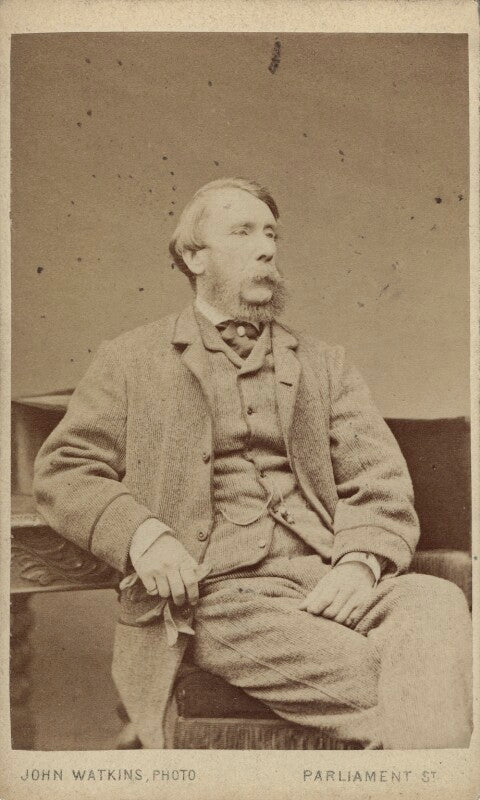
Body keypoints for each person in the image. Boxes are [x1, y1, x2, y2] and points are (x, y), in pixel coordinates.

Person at [33, 177, 472, 750]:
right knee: (431, 687)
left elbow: (378, 479)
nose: (266, 247)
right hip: (218, 598)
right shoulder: (129, 360)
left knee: (435, 600)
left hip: (328, 577)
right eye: (243, 232)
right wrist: (143, 536)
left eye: (271, 233)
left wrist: (359, 563)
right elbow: (66, 468)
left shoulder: (325, 364)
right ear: (195, 257)